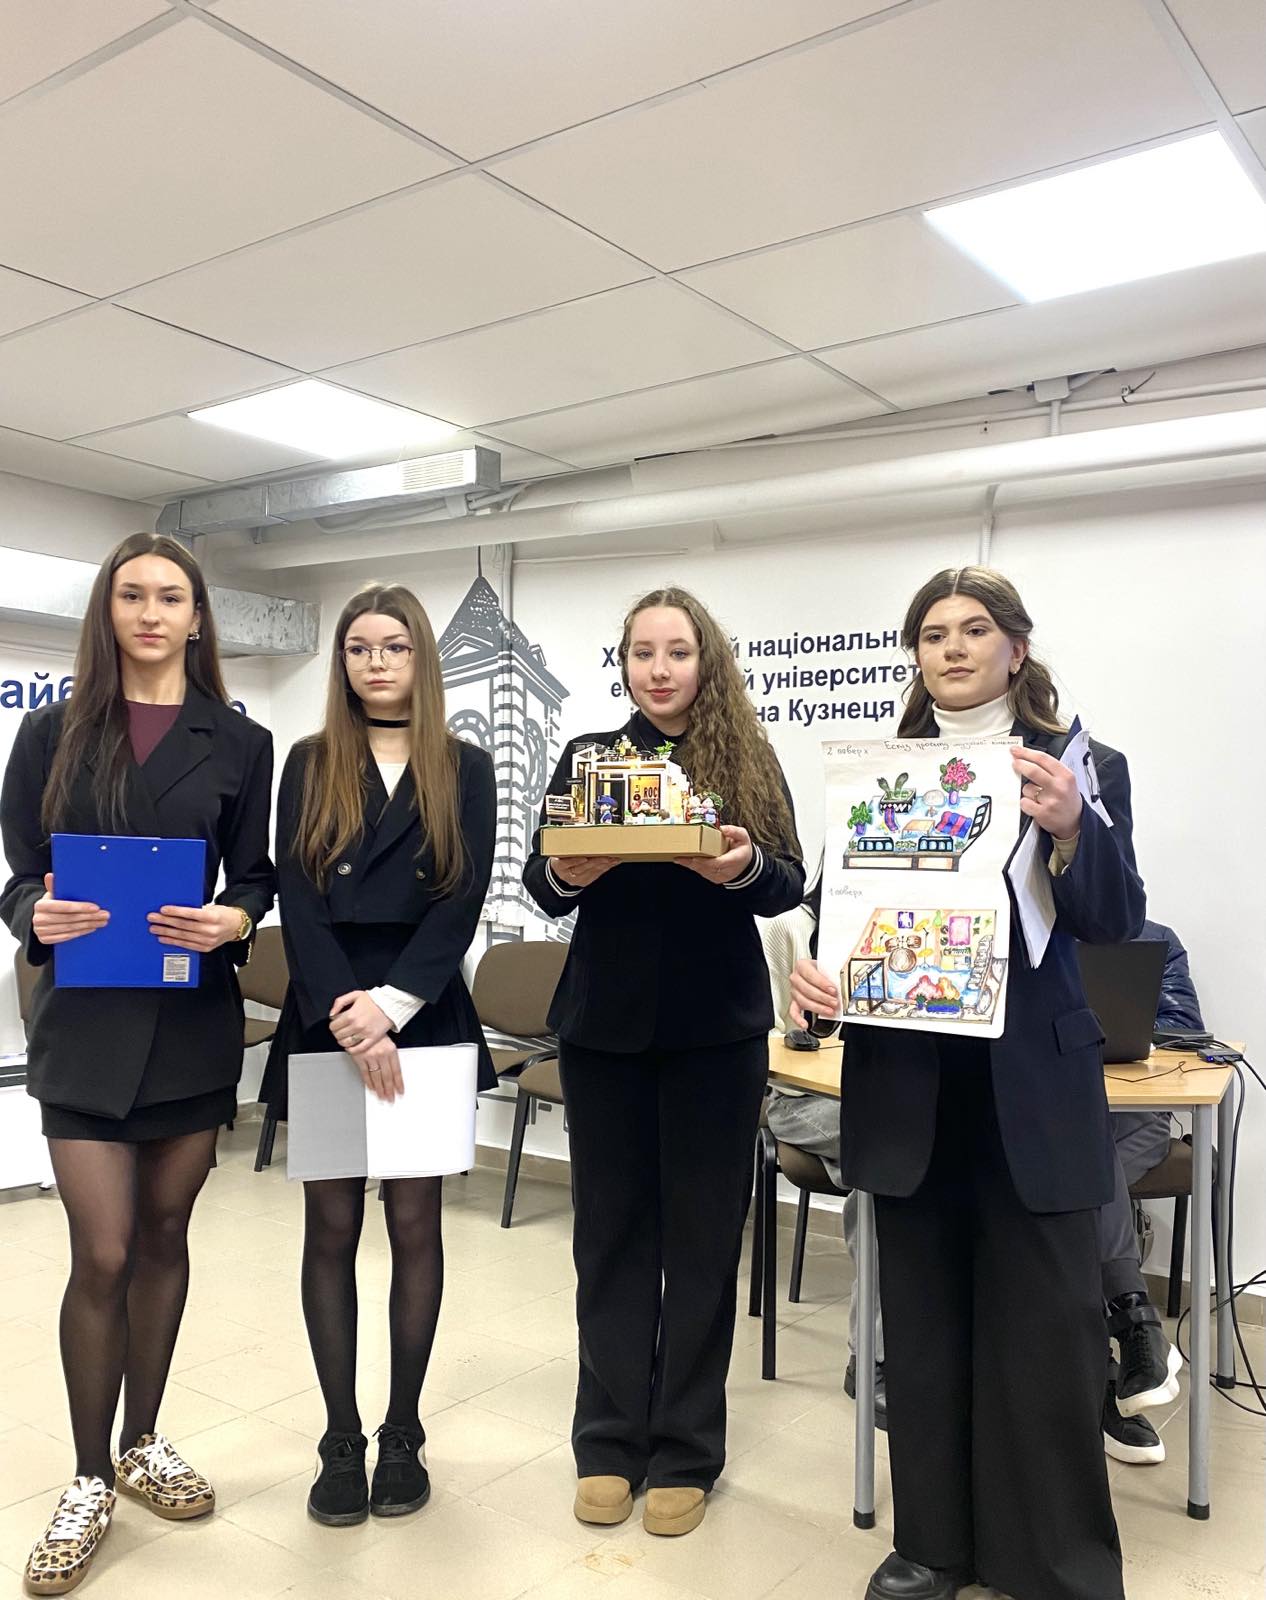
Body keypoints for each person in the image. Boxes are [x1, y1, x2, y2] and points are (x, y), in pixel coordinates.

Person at [791, 566, 1145, 1600]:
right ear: (916, 655)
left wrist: (1074, 826)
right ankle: (935, 1544)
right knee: (927, 1328)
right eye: (933, 633)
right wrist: (820, 985)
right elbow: (840, 917)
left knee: (1049, 1337)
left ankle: (1059, 1564)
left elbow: (1114, 918)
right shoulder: (879, 772)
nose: (952, 647)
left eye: (975, 629)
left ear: (1015, 648)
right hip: (911, 1087)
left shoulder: (1081, 765)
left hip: (1031, 1085)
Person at [0, 532, 275, 1597]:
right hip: (83, 1024)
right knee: (104, 1252)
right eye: (132, 595)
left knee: (164, 1238)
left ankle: (143, 1440)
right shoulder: (52, 730)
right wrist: (35, 911)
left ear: (198, 617)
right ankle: (86, 1477)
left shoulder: (239, 741)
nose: (151, 613)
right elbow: (20, 872)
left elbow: (254, 874)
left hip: (188, 1022)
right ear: (107, 611)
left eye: (171, 597)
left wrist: (232, 919)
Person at [523, 586, 804, 1538]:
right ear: (625, 664)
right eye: (642, 653)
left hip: (716, 1035)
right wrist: (568, 872)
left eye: (676, 652)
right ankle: (608, 1442)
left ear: (705, 661)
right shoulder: (589, 757)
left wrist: (739, 868)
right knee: (608, 1239)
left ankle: (686, 1449)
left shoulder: (746, 758)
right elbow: (540, 879)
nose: (658, 669)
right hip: (603, 1031)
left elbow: (788, 881)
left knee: (701, 1244)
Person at [259, 583, 495, 1527]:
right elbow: (296, 895)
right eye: (359, 648)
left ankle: (402, 1432)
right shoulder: (311, 760)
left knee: (413, 1226)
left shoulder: (465, 766)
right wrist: (349, 1019)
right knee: (330, 1229)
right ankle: (340, 1437)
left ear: (420, 657)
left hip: (422, 1011)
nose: (376, 662)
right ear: (344, 663)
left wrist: (391, 1007)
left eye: (393, 646)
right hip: (327, 1012)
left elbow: (462, 899)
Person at [761, 872, 888, 1425]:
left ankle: (890, 1349)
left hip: (871, 1102)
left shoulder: (900, 931)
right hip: (800, 1100)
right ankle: (871, 1357)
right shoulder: (789, 927)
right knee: (886, 1154)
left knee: (890, 1162)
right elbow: (773, 1039)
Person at [1101, 918, 1204, 1466]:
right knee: (1068, 1169)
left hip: (1135, 1117)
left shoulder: (1152, 939)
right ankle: (1132, 1333)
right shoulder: (1022, 939)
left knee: (1076, 1180)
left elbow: (1186, 1031)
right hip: (1059, 1116)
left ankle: (1104, 1374)